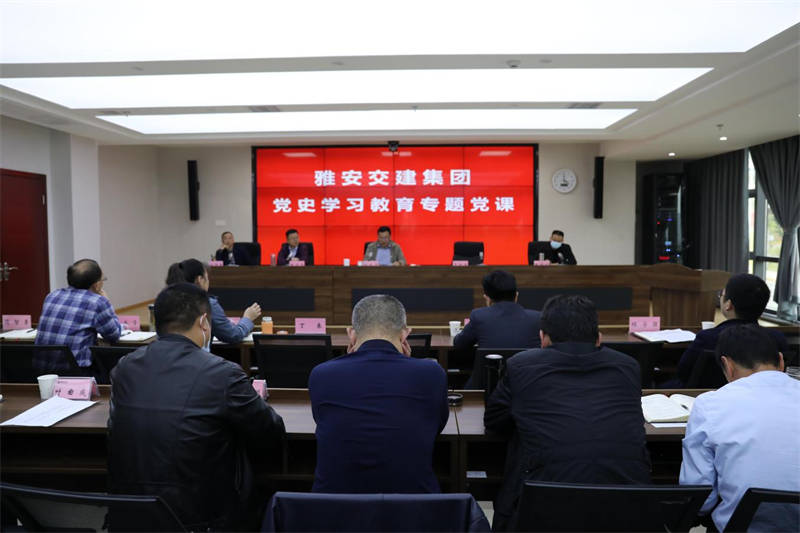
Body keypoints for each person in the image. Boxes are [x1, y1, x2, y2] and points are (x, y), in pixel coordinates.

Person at [108, 283, 285, 530]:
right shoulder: (223, 373)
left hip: (130, 513)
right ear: (204, 322)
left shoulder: (124, 367)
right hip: (198, 516)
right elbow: (270, 431)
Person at [485, 294, 650, 531]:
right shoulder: (628, 366)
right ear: (599, 338)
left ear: (543, 338)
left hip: (546, 508)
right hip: (627, 509)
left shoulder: (521, 366)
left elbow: (494, 420)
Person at [308, 294, 448, 493]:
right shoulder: (432, 373)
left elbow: (323, 419)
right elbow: (436, 426)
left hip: (333, 504)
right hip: (414, 504)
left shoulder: (322, 374)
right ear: (404, 335)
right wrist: (411, 364)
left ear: (351, 335)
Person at [680, 324, 799, 532]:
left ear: (728, 366)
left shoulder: (710, 404)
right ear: (781, 361)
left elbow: (700, 496)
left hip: (741, 526)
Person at [677, 273, 788, 387]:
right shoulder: (777, 338)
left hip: (702, 393)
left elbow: (683, 372)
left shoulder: (707, 337)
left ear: (728, 305)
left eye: (721, 294)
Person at [453, 270, 542, 389]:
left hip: (486, 388)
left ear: (487, 298)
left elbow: (459, 344)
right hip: (526, 387)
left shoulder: (479, 316)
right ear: (516, 296)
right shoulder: (536, 318)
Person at [35, 259, 121, 375]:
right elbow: (113, 335)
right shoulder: (97, 302)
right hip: (75, 373)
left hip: (42, 371)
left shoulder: (52, 296)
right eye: (103, 279)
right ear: (96, 285)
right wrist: (107, 301)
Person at [166, 258, 260, 345]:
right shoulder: (206, 303)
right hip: (196, 356)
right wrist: (247, 318)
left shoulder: (167, 301)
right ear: (200, 280)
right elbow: (233, 335)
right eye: (207, 277)